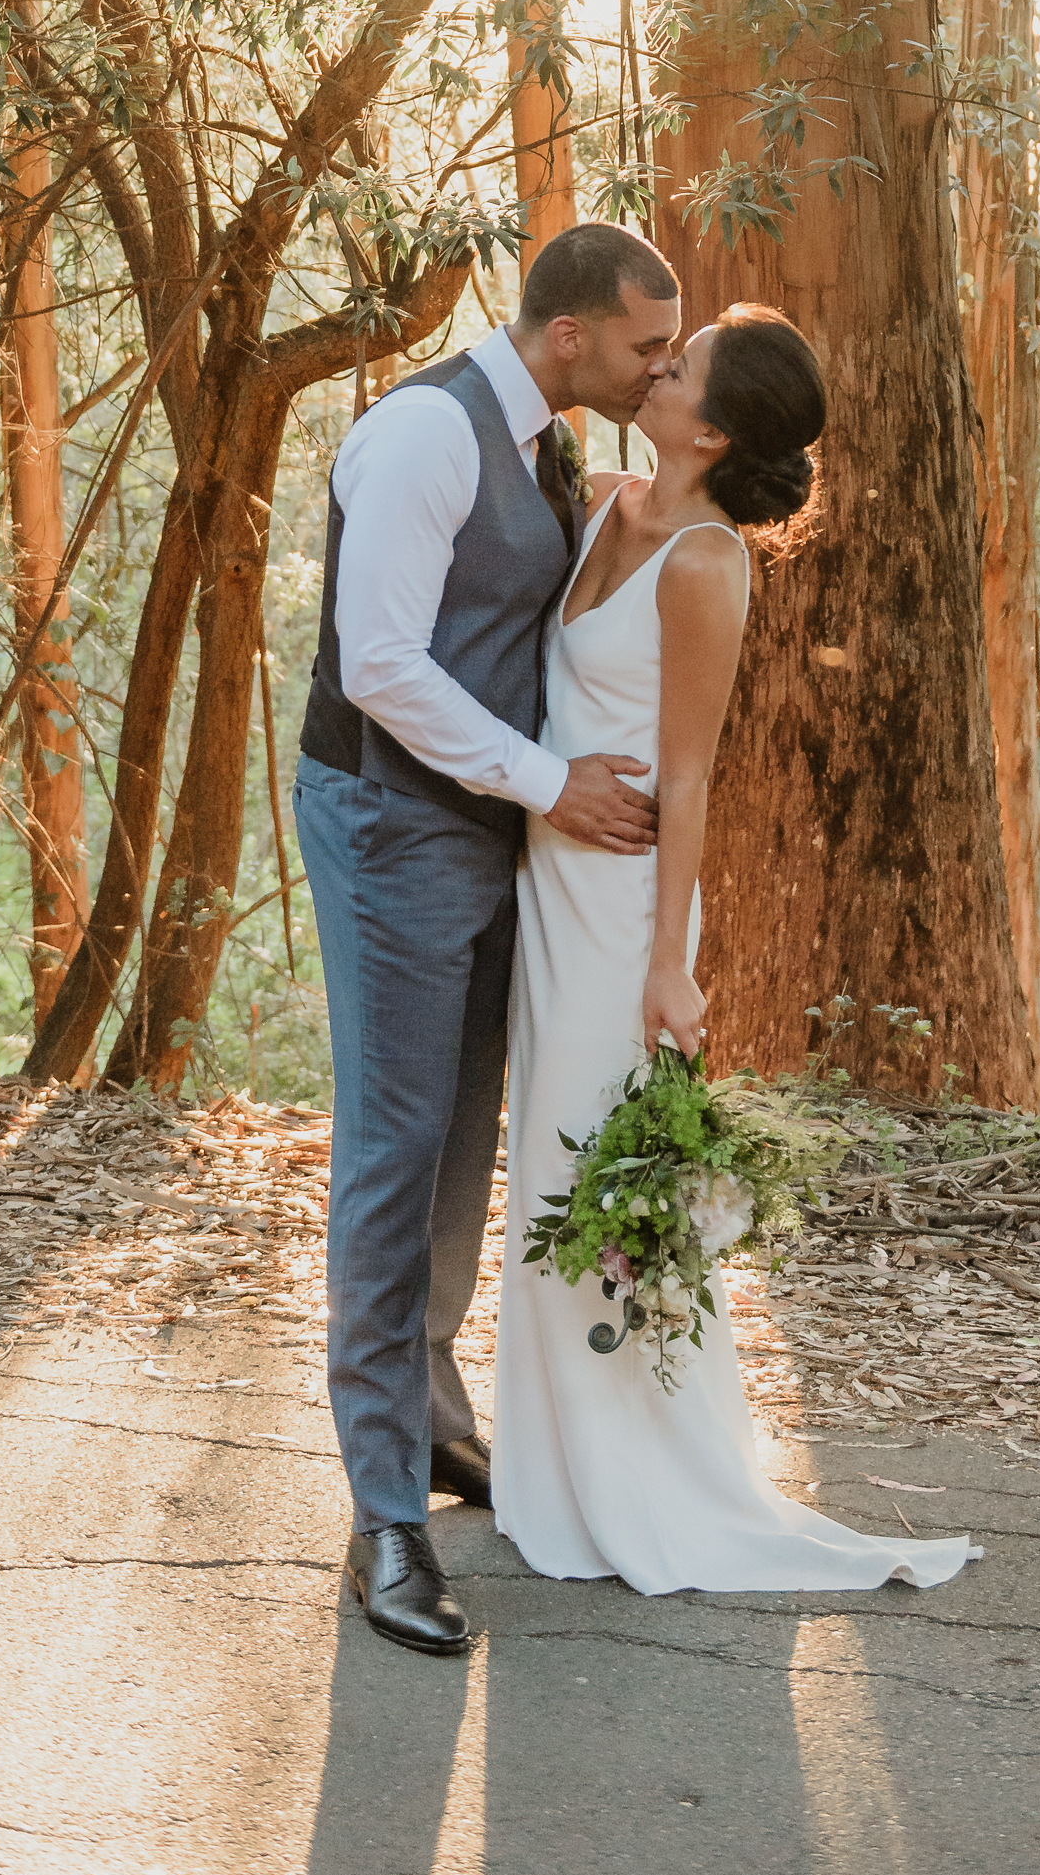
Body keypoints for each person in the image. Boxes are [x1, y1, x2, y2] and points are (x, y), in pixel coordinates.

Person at [491, 305, 979, 1596]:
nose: (658, 362)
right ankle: (549, 1465)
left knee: (596, 1178)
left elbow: (693, 778)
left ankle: (639, 1471)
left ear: (708, 426)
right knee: (543, 1159)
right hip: (548, 882)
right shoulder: (599, 500)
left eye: (682, 359)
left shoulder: (707, 562)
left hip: (625, 911)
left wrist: (670, 963)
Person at [293, 220, 682, 1656]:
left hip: (487, 834)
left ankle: (437, 1417)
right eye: (647, 345)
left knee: (465, 1145)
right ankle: (382, 1511)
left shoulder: (555, 447)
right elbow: (379, 659)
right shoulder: (425, 434)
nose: (661, 367)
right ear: (570, 334)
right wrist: (549, 784)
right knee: (395, 1153)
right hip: (391, 822)